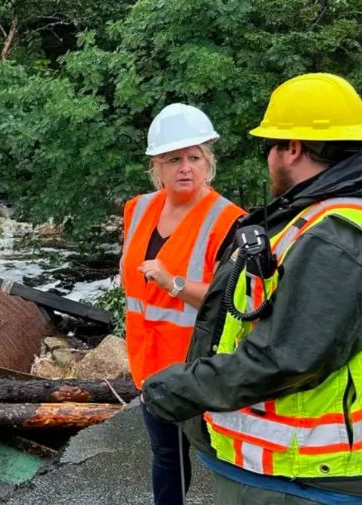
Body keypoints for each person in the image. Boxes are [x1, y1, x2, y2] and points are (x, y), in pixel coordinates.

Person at [141, 73, 362, 505]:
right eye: (172, 159)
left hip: (302, 474)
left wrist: (181, 387)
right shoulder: (310, 217)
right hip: (268, 458)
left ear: (292, 148)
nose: (184, 167)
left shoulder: (332, 233)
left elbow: (289, 356)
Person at [121, 103, 245, 505]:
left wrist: (173, 282)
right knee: (166, 455)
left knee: (224, 456)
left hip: (200, 364)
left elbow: (234, 298)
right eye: (174, 159)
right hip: (149, 363)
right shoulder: (138, 209)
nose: (185, 167)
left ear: (207, 161)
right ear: (156, 164)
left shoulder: (228, 219)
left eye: (194, 157)